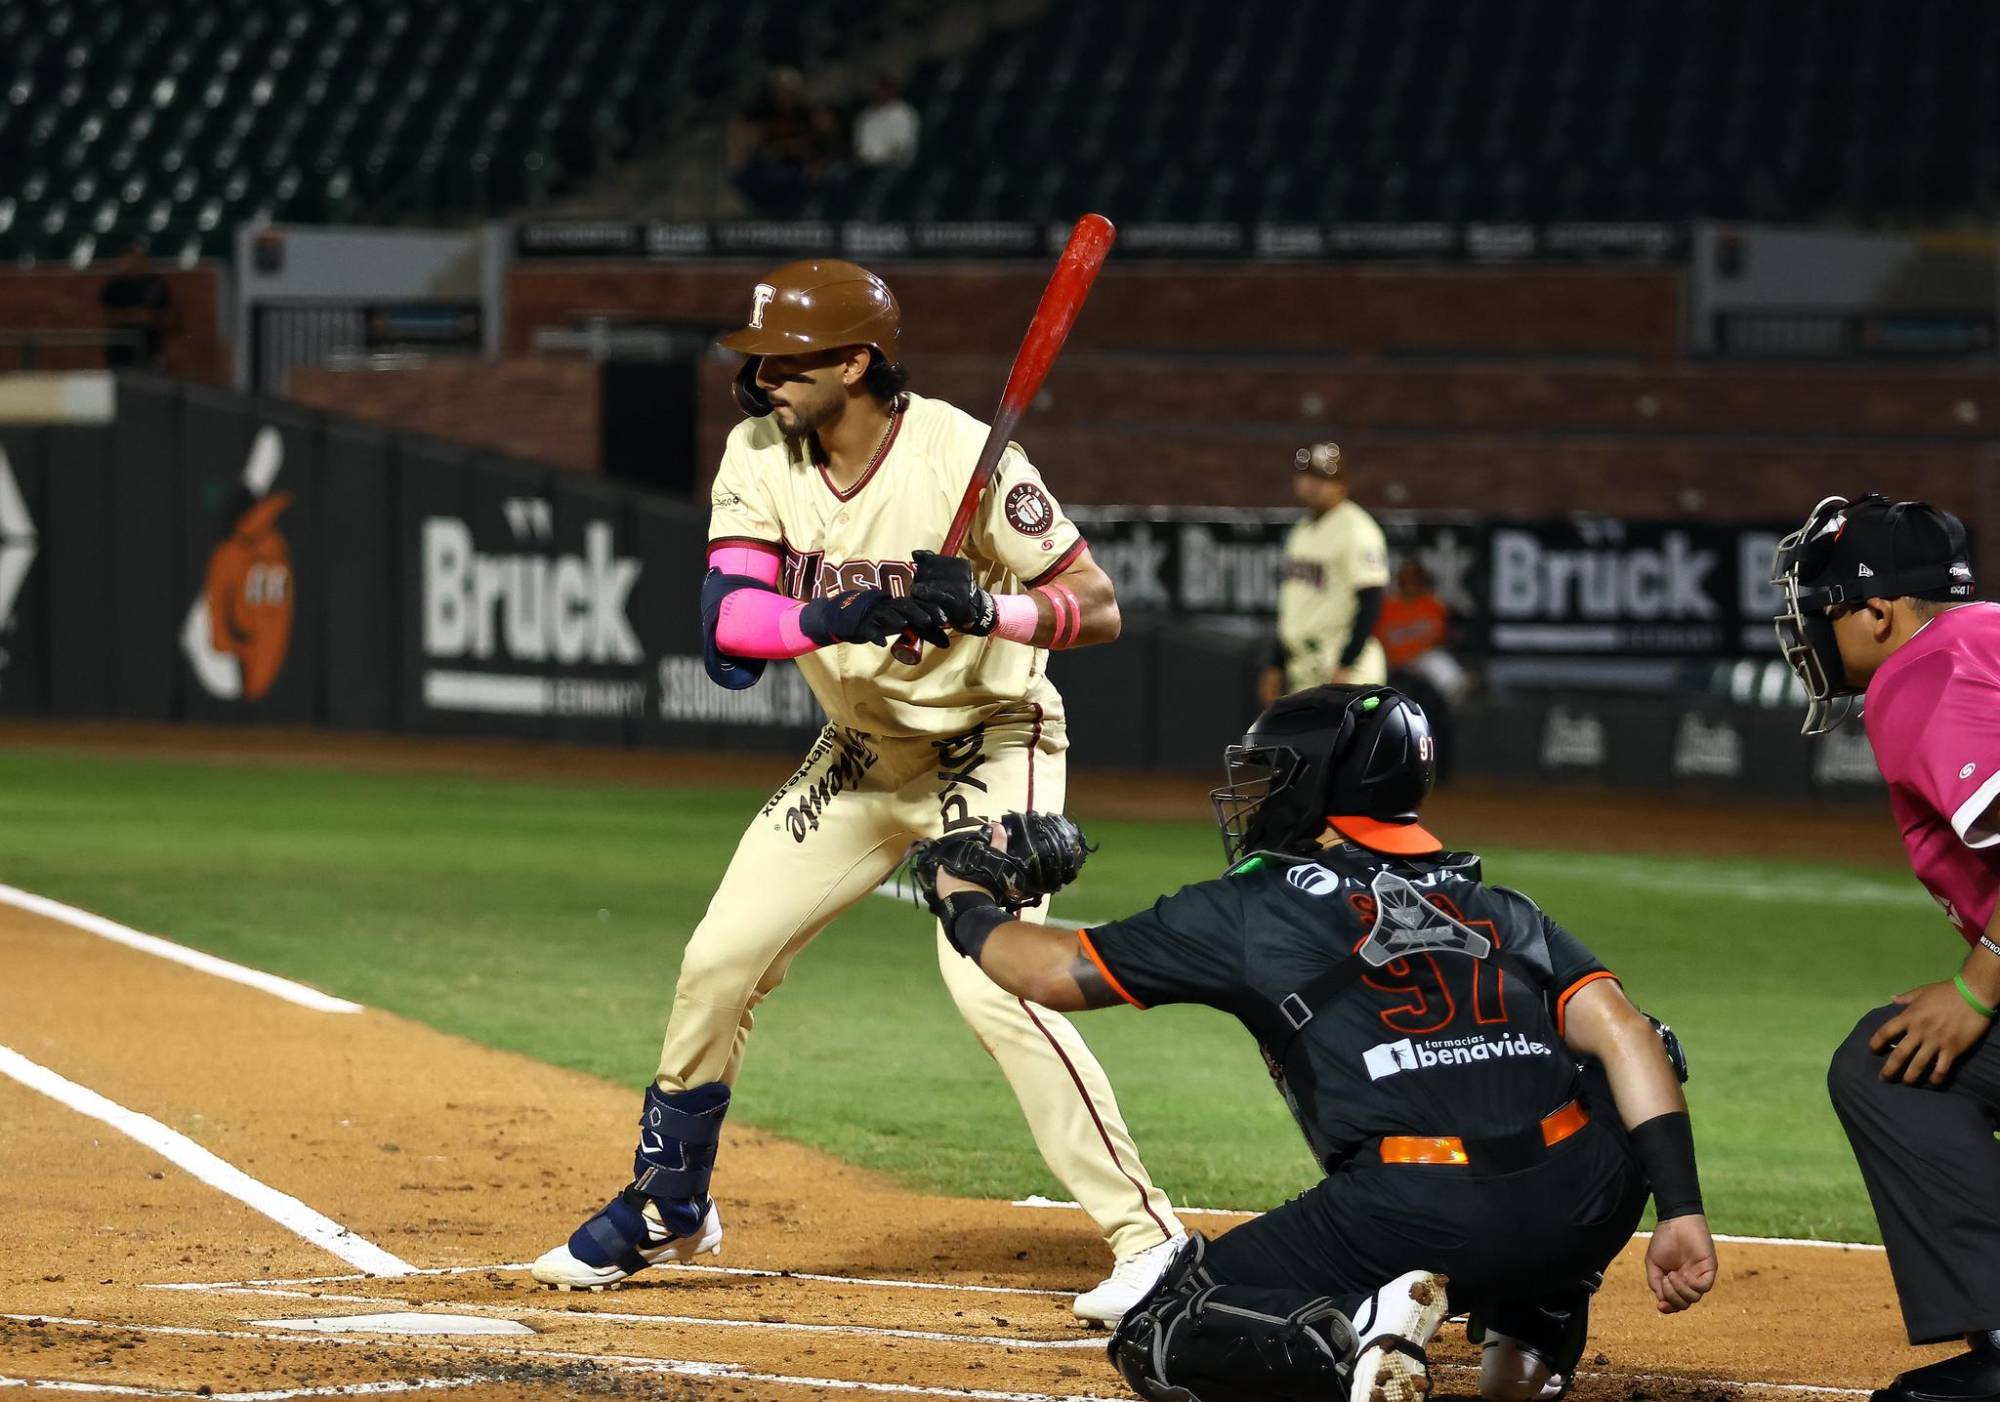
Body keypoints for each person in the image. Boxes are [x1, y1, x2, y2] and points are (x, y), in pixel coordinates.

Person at [531, 259, 1187, 1324]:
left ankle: (1147, 1235)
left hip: (989, 738)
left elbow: (1094, 604)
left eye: (782, 362)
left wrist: (989, 607)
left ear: (852, 361)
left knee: (991, 979)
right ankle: (670, 1202)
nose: (759, 381)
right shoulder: (759, 453)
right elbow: (728, 630)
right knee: (718, 961)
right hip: (860, 750)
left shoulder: (962, 454)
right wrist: (843, 618)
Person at [911, 684, 1718, 1402]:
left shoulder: (1253, 906)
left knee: (1161, 1335)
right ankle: (1531, 1339)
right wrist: (1680, 1208)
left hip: (1413, 1210)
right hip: (1577, 1202)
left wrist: (965, 899)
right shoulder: (1498, 903)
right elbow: (1629, 1036)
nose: (1254, 797)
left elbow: (1051, 974)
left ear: (1320, 785)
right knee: (1640, 1053)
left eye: (1272, 777)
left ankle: (1360, 1338)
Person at [1773, 494, 2000, 1402]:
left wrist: (1980, 987)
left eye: (1820, 606)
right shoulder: (1984, 637)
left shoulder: (1924, 674)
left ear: (1876, 612)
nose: (1808, 629)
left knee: (1889, 1068)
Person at [1259, 442, 1390, 708]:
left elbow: (1372, 602)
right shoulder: (1301, 531)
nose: (1313, 484)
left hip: (1345, 670)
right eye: (1307, 475)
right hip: (1304, 669)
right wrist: (1276, 663)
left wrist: (1345, 664)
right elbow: (1294, 605)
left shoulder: (1357, 529)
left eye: (1323, 478)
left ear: (1342, 485)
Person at [852, 75, 919, 169]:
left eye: (883, 89)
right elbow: (859, 147)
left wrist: (881, 159)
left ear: (892, 89)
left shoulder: (903, 112)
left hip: (894, 168)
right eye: (877, 89)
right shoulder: (866, 115)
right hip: (866, 168)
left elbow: (902, 147)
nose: (879, 93)